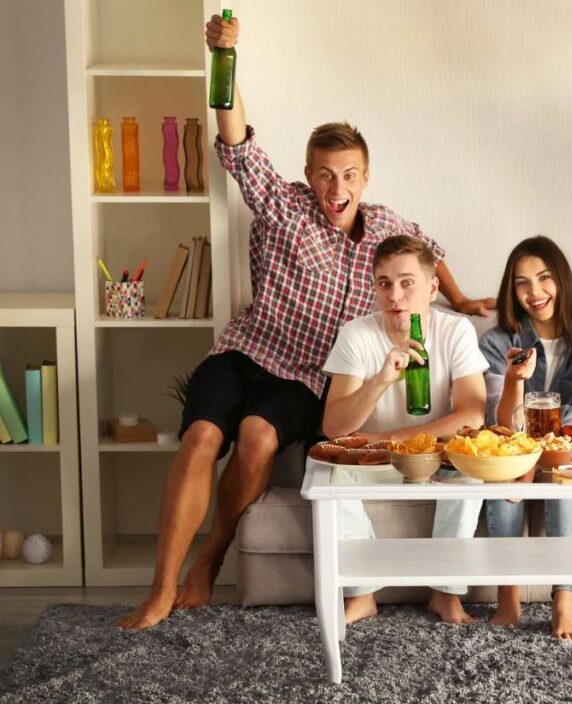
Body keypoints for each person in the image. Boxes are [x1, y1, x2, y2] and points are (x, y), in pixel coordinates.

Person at [117, 15, 493, 631]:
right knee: (202, 437)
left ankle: (208, 563)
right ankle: (160, 587)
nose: (335, 186)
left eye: (347, 175)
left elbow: (429, 253)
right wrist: (224, 58)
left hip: (302, 375)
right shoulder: (282, 205)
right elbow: (235, 138)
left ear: (364, 178)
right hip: (247, 349)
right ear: (308, 173)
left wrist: (463, 299)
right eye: (323, 173)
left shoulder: (384, 229)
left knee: (261, 439)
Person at [321, 235, 490, 625]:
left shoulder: (456, 331)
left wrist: (392, 438)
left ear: (432, 288)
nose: (394, 295)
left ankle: (445, 592)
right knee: (332, 472)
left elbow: (471, 416)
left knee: (471, 469)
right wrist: (380, 380)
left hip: (436, 457)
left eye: (407, 282)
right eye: (384, 283)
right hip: (374, 461)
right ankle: (361, 593)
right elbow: (333, 427)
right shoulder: (356, 334)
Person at [478, 235, 572, 641]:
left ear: (562, 281)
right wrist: (516, 382)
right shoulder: (498, 341)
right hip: (515, 451)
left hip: (564, 453)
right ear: (511, 291)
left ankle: (563, 604)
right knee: (502, 481)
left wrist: (543, 453)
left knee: (564, 485)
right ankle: (508, 598)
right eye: (522, 283)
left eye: (544, 278)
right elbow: (499, 423)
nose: (534, 293)